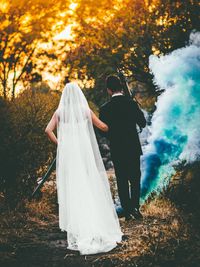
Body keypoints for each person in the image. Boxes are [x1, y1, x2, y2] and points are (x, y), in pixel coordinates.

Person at [45, 82, 123, 255]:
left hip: (69, 153)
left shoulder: (60, 112)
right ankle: (93, 220)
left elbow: (48, 130)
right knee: (88, 184)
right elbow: (103, 126)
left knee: (73, 186)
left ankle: (77, 224)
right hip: (84, 152)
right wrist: (116, 125)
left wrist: (61, 144)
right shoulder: (85, 111)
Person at [99, 75, 146, 221]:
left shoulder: (105, 108)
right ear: (121, 87)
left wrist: (113, 134)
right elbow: (143, 123)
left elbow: (102, 130)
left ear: (109, 90)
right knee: (135, 178)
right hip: (133, 148)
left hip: (117, 148)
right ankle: (136, 208)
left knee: (122, 179)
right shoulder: (131, 104)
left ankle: (127, 212)